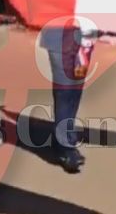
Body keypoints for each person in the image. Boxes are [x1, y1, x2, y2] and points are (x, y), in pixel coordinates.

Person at [39, 17, 97, 173]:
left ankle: (65, 135)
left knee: (75, 89)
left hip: (85, 39)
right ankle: (65, 147)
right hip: (59, 33)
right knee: (64, 89)